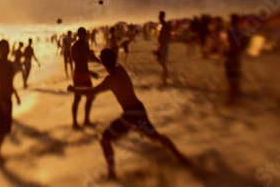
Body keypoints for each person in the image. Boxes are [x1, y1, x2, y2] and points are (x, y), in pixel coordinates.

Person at [68, 49, 189, 179]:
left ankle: (111, 174)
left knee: (105, 139)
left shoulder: (110, 79)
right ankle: (180, 157)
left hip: (131, 114)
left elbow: (91, 92)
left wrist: (74, 89)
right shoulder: (120, 69)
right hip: (139, 110)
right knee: (154, 136)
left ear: (102, 63)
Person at [0, 39, 21, 167]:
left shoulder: (10, 64)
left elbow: (9, 82)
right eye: (4, 48)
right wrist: (0, 100)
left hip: (8, 99)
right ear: (0, 50)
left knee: (5, 130)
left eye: (8, 47)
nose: (7, 50)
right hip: (0, 101)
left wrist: (16, 95)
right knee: (0, 131)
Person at [70, 27, 100, 129]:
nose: (84, 36)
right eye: (82, 34)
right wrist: (90, 72)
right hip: (78, 75)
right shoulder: (75, 46)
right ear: (78, 35)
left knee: (90, 96)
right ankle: (74, 123)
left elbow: (90, 56)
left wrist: (102, 61)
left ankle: (86, 120)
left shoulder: (86, 44)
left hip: (85, 74)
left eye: (85, 34)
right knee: (77, 98)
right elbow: (78, 62)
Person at [224, 14, 248, 105]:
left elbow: (227, 45)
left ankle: (232, 98)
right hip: (236, 56)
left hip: (230, 56)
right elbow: (244, 43)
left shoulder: (230, 32)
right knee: (235, 77)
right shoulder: (240, 32)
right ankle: (236, 95)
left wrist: (227, 52)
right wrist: (239, 51)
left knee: (231, 78)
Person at [155, 11, 171, 86]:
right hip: (160, 45)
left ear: (163, 16)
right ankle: (163, 80)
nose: (159, 18)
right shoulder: (160, 25)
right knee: (161, 63)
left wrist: (160, 46)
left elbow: (166, 37)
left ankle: (164, 82)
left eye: (160, 16)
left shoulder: (165, 25)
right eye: (158, 16)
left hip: (163, 46)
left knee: (163, 63)